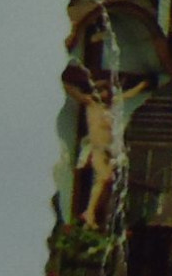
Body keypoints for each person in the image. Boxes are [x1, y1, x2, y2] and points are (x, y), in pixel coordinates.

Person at [62, 69, 152, 229]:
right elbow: (73, 92)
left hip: (110, 150)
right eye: (101, 90)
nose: (105, 94)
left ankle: (97, 213)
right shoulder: (91, 103)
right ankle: (89, 212)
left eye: (107, 90)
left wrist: (143, 85)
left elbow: (129, 95)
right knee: (104, 178)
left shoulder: (113, 103)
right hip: (96, 148)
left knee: (108, 181)